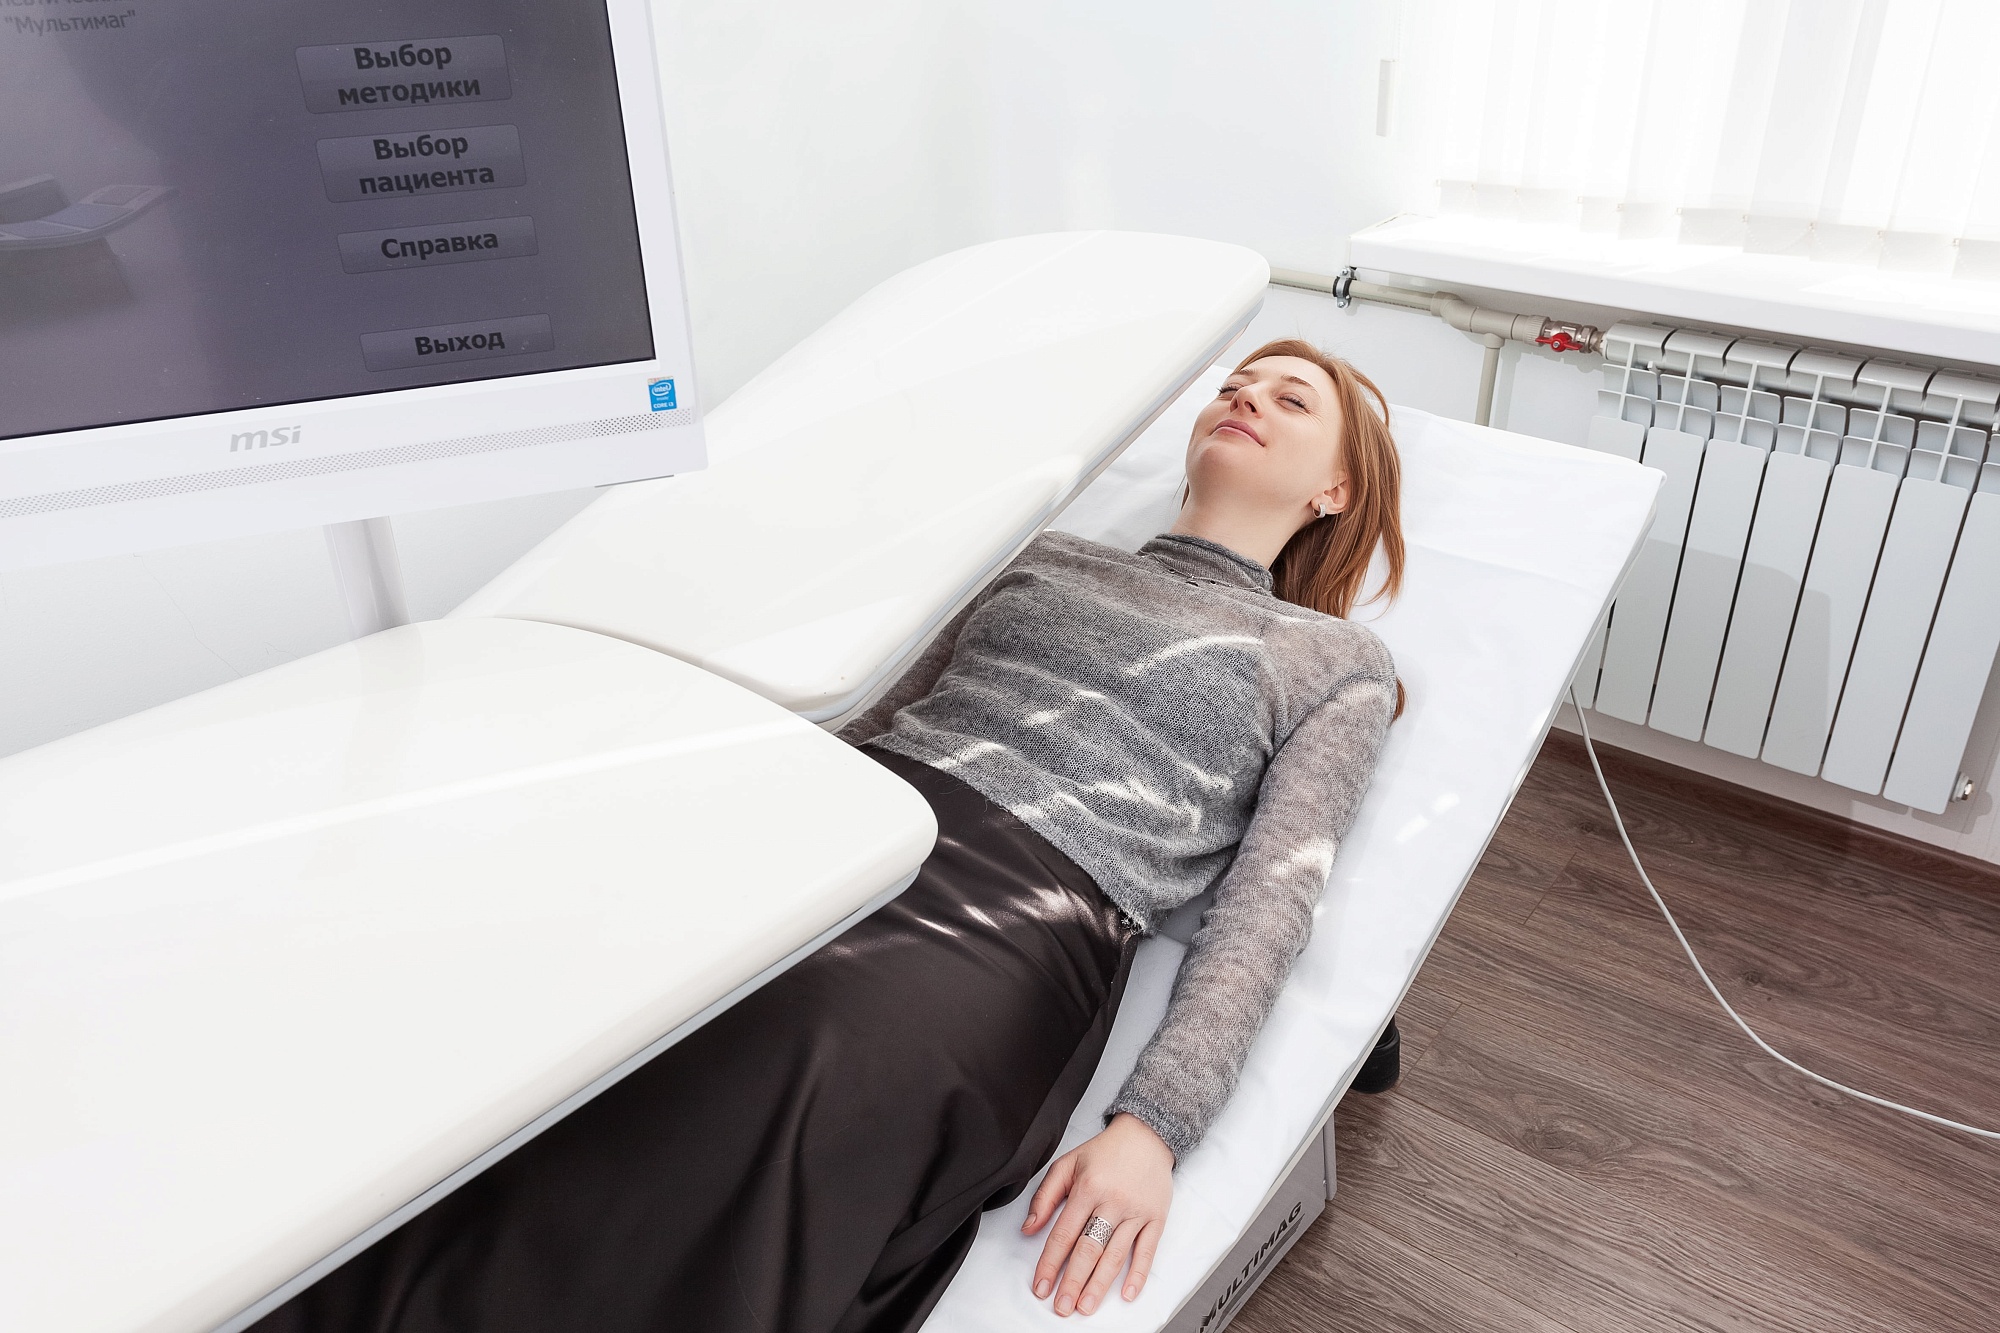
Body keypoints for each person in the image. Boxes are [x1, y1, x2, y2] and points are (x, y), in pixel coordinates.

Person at [251, 339, 1405, 1333]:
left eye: (1289, 398)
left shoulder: (1332, 661)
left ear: (1336, 488)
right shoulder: (1038, 554)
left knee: (799, 1062)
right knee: (589, 1020)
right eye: (1235, 383)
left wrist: (1153, 1124)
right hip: (849, 824)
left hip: (1017, 912)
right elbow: (869, 712)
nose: (1243, 397)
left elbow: (1270, 900)